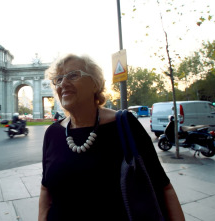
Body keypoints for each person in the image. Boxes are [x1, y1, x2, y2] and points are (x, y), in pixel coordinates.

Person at [38, 54, 185, 221]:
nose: (63, 83)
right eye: (58, 79)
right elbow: (45, 192)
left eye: (73, 75)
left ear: (95, 83)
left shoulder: (125, 124)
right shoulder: (52, 133)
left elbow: (164, 188)